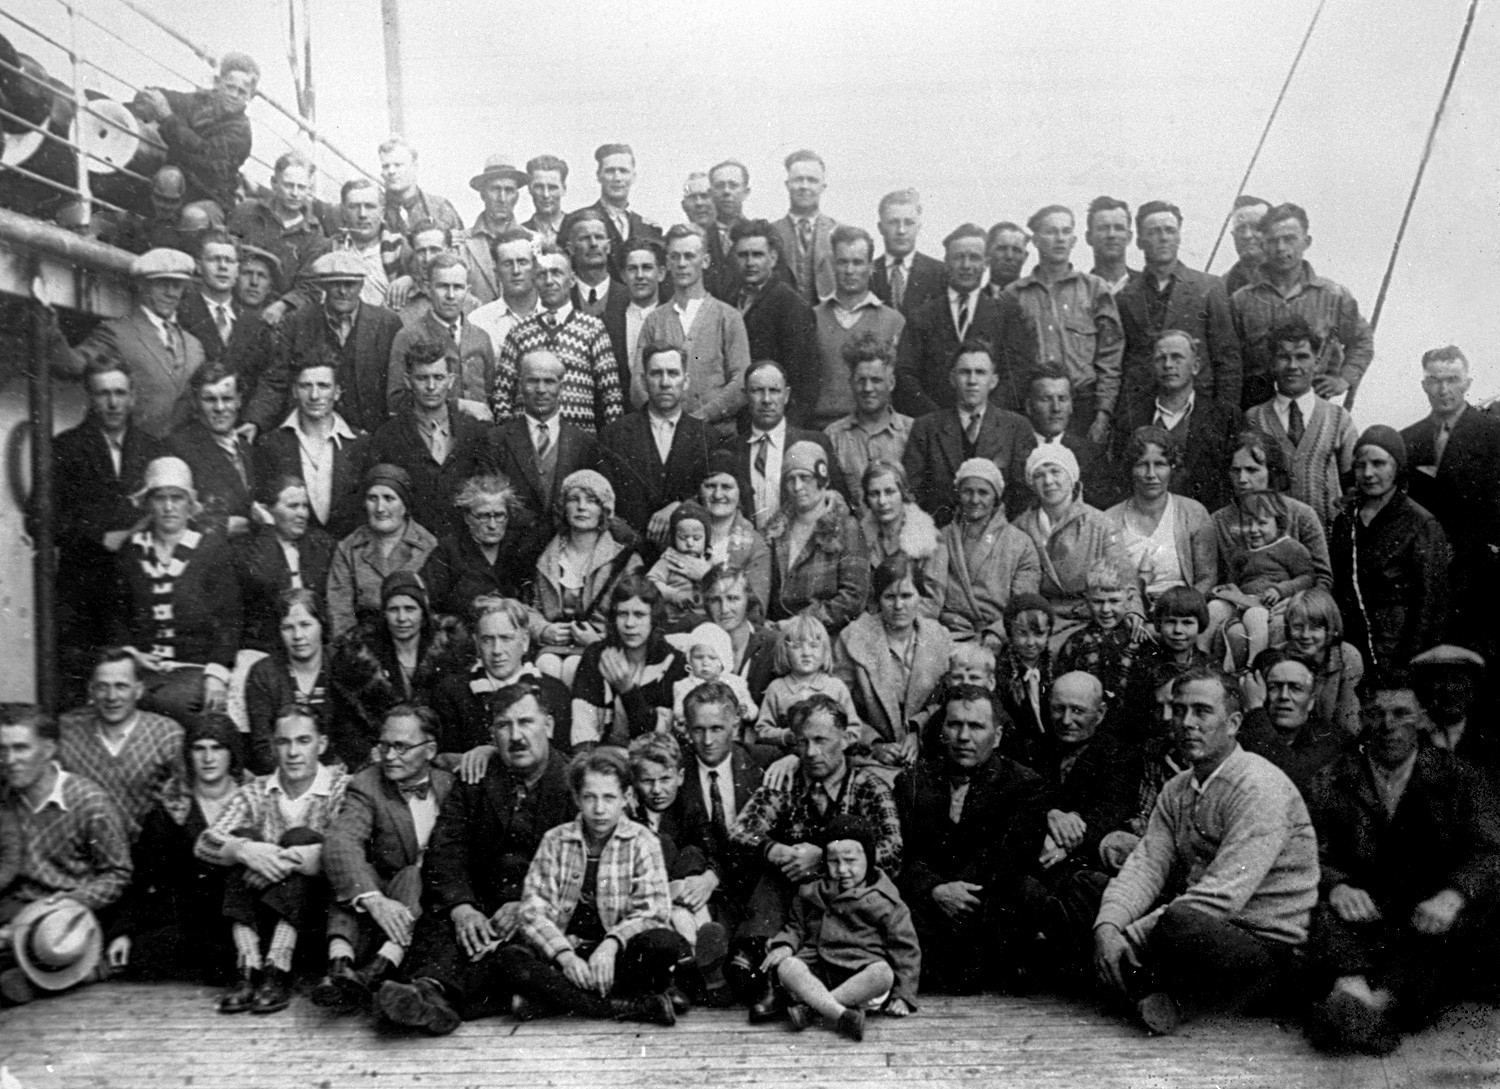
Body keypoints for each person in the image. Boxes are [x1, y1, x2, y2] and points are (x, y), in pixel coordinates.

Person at [1093, 666, 1319, 1035]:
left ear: (1232, 723)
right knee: (1092, 891)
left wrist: (1128, 936)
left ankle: (1147, 986)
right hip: (1203, 926)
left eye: (1201, 711)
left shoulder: (1258, 787)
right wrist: (1108, 927)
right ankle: (1152, 989)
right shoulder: (1179, 788)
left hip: (1262, 943)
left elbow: (1221, 897)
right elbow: (1146, 865)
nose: (1186, 723)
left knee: (1177, 923)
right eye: (1178, 711)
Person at [1304, 672, 1500, 1055]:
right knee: (1319, 913)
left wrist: (1453, 895)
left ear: (1424, 719)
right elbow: (1309, 852)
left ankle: (1367, 1007)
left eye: (1402, 714)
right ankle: (1357, 992)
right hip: (1364, 915)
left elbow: (1490, 853)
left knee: (1460, 932)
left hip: (1428, 916)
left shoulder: (1460, 779)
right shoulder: (1332, 778)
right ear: (1361, 720)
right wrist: (1338, 884)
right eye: (1376, 714)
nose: (1388, 726)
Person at [374, 680, 576, 1033]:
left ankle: (447, 1002)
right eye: (503, 725)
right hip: (481, 902)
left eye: (526, 722)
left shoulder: (574, 782)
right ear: (491, 735)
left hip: (542, 907)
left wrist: (528, 904)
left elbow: (580, 863)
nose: (516, 736)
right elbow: (446, 849)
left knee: (519, 954)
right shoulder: (476, 779)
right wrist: (462, 907)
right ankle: (429, 992)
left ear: (549, 726)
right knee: (441, 920)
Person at [729, 695, 903, 1022]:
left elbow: (892, 852)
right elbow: (740, 832)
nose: (810, 752)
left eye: (821, 740)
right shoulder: (787, 780)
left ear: (845, 739)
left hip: (847, 905)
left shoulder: (868, 787)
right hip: (796, 900)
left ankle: (793, 992)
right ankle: (769, 974)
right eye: (802, 742)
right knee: (775, 870)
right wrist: (774, 849)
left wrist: (825, 859)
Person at [492, 747, 685, 1027]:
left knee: (663, 943)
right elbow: (533, 911)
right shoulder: (556, 841)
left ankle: (551, 999)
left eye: (609, 798)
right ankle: (626, 1005)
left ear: (626, 798)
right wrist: (566, 957)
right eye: (589, 797)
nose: (599, 809)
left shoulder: (643, 841)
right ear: (576, 798)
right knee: (509, 959)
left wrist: (611, 943)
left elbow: (654, 911)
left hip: (616, 958)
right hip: (565, 953)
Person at [195, 704, 349, 1015]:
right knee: (241, 837)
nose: (293, 752)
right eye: (284, 742)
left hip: (314, 922)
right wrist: (247, 851)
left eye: (303, 741)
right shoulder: (255, 792)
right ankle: (248, 968)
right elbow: (205, 842)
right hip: (259, 918)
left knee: (301, 837)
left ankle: (277, 969)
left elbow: (346, 850)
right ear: (273, 746)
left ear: (321, 744)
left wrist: (283, 861)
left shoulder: (340, 787)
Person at [895, 684, 1047, 993]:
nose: (964, 737)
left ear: (998, 735)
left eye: (976, 726)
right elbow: (903, 853)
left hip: (986, 903)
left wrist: (956, 892)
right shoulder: (912, 781)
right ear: (941, 731)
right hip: (931, 903)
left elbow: (1009, 858)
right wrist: (937, 889)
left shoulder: (1024, 785)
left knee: (1024, 894)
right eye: (954, 725)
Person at [314, 704, 455, 1012]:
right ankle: (341, 964)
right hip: (385, 904)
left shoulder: (450, 780)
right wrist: (374, 899)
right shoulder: (367, 784)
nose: (389, 756)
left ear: (430, 749)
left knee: (415, 874)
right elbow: (341, 841)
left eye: (401, 747)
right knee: (353, 878)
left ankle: (377, 970)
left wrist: (482, 752)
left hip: (431, 905)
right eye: (384, 745)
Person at [102, 712, 244, 984]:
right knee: (141, 955)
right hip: (188, 918)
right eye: (199, 749)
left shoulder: (253, 797)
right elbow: (142, 875)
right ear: (188, 754)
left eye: (217, 748)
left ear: (232, 753)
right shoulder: (170, 807)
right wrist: (124, 930)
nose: (208, 758)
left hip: (240, 915)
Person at [53, 357, 165, 695]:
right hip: (84, 591)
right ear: (90, 397)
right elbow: (41, 519)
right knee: (83, 692)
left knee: (141, 691)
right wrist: (102, 535)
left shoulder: (152, 449)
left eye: (120, 392)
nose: (113, 403)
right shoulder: (65, 447)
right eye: (103, 394)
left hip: (142, 588)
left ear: (132, 396)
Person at [763, 817, 921, 1038]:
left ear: (869, 858)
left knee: (883, 973)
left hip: (859, 975)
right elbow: (796, 926)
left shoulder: (886, 900)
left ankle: (812, 1010)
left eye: (850, 861)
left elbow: (905, 950)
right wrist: (786, 945)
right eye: (833, 862)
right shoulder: (812, 891)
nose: (842, 869)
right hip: (818, 969)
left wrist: (903, 994)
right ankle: (841, 1015)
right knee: (787, 967)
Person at [110, 457, 240, 722]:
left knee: (180, 707)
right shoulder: (131, 552)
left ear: (190, 503)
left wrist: (216, 673)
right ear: (148, 502)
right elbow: (115, 615)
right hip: (140, 670)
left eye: (177, 498)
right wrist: (131, 655)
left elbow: (230, 620)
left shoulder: (211, 550)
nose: (169, 507)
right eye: (160, 498)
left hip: (195, 669)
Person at [1401, 345, 1500, 663]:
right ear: (1424, 385)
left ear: (1467, 383)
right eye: (1435, 380)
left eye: (1453, 379)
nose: (1444, 389)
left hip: (1480, 570)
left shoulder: (1493, 435)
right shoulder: (1407, 440)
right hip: (1425, 571)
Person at [1331, 426, 1451, 673]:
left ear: (1397, 467)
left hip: (1399, 648)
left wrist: (1410, 662)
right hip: (1352, 645)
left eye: (1379, 463)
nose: (1368, 473)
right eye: (1360, 465)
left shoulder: (1420, 524)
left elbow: (1431, 602)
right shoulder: (1346, 520)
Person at [1231, 203, 1374, 409]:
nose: (1281, 248)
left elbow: (1362, 340)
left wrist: (1343, 379)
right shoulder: (1241, 300)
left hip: (1312, 408)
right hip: (1255, 409)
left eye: (1289, 239)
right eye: (1273, 241)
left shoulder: (1333, 295)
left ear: (1306, 242)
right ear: (1264, 245)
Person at [1006, 206, 1124, 444]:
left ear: (1074, 240)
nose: (1059, 238)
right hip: (1032, 408)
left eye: (1065, 231)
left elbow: (1110, 359)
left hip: (1084, 407)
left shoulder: (1094, 289)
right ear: (1036, 240)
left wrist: (1102, 414)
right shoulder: (1014, 295)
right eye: (1051, 232)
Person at [627, 732, 730, 1004]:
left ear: (681, 777)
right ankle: (707, 965)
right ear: (635, 782)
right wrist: (669, 889)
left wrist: (708, 878)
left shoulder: (689, 809)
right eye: (648, 781)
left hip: (689, 899)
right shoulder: (630, 815)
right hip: (652, 899)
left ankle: (699, 950)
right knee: (662, 844)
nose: (657, 790)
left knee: (693, 853)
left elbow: (715, 850)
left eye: (665, 779)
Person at [895, 223, 1037, 417]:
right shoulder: (922, 316)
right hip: (935, 428)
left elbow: (1019, 373)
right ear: (946, 262)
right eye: (958, 257)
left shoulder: (1006, 314)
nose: (966, 265)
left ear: (986, 262)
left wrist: (985, 415)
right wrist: (937, 419)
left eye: (974, 257)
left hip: (992, 427)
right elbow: (905, 374)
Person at [1115, 201, 1241, 414]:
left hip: (1198, 408)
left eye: (1170, 231)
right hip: (1142, 409)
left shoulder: (1209, 287)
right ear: (1139, 241)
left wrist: (1225, 414)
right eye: (1154, 232)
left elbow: (1227, 358)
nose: (1163, 238)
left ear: (1179, 237)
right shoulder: (1125, 296)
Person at [328, 572, 461, 772]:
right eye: (393, 609)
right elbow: (346, 725)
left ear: (423, 613)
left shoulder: (449, 652)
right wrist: (368, 754)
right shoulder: (358, 657)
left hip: (437, 759)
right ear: (384, 613)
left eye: (410, 609)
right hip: (384, 759)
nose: (402, 618)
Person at [71, 248, 206, 440]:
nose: (170, 293)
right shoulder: (117, 332)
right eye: (162, 284)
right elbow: (73, 365)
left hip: (184, 457)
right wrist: (49, 325)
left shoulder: (195, 346)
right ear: (142, 285)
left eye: (177, 285)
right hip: (134, 452)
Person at [835, 555, 952, 772]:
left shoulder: (939, 637)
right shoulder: (853, 638)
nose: (898, 606)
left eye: (907, 596)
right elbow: (839, 705)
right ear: (878, 599)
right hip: (871, 758)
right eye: (889, 597)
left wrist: (920, 732)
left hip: (930, 752)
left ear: (920, 597)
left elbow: (947, 698)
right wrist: (874, 743)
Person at [366, 340, 492, 540]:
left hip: (464, 545)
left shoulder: (473, 431)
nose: (431, 386)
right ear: (408, 381)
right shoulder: (388, 437)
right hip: (410, 546)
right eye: (422, 378)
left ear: (451, 381)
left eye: (438, 377)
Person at [492, 244, 625, 433]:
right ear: (534, 281)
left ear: (572, 280)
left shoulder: (592, 328)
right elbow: (501, 394)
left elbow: (611, 395)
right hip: (528, 445)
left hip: (579, 445)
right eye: (541, 275)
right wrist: (512, 439)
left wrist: (611, 441)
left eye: (556, 273)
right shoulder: (519, 331)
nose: (549, 281)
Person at [428, 594, 572, 768]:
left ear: (525, 641)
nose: (497, 650)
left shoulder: (554, 692)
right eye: (488, 640)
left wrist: (494, 754)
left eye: (506, 638)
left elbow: (563, 760)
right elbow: (440, 758)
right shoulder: (451, 691)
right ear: (476, 644)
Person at [1109, 331, 1243, 515]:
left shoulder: (1224, 417)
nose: (1168, 365)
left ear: (1195, 366)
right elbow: (1119, 479)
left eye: (1177, 357)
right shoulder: (1131, 417)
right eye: (1160, 358)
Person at [272, 249, 405, 434]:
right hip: (314, 431)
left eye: (350, 284)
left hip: (373, 434)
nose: (343, 291)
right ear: (324, 286)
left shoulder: (387, 323)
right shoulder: (297, 322)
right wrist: (255, 422)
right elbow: (276, 380)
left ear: (361, 284)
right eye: (335, 284)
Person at [636, 225, 751, 437]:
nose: (681, 264)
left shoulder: (728, 316)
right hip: (663, 434)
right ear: (668, 263)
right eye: (675, 257)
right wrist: (665, 419)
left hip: (717, 434)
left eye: (689, 256)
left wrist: (700, 418)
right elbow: (639, 381)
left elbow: (741, 380)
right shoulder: (654, 320)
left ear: (705, 261)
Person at [1242, 318, 1358, 528]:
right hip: (1272, 543)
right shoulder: (1253, 419)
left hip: (1328, 543)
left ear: (1317, 361)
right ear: (1272, 362)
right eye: (1284, 357)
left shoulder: (1339, 419)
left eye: (1302, 357)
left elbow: (1354, 485)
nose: (1293, 366)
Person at [903, 341, 1034, 525]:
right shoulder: (926, 428)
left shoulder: (1016, 427)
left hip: (998, 539)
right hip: (940, 535)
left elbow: (1024, 498)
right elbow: (912, 493)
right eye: (965, 372)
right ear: (952, 378)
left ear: (994, 381)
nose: (972, 381)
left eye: (980, 373)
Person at [57, 649, 185, 838]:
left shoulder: (166, 734)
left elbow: (185, 797)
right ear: (91, 690)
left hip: (147, 854)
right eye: (102, 687)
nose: (112, 696)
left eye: (121, 686)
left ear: (138, 690)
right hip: (85, 853)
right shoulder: (67, 731)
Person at [486, 350, 600, 562]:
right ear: (520, 386)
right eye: (532, 381)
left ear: (561, 387)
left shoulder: (584, 443)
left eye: (549, 381)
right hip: (511, 556)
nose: (541, 390)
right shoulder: (497, 440)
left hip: (568, 555)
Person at [531, 469, 642, 682]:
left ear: (604, 510)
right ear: (564, 507)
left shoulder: (625, 559)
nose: (581, 507)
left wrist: (597, 639)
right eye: (574, 499)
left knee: (576, 666)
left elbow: (636, 613)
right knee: (546, 665)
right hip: (552, 646)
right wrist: (544, 629)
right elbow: (531, 608)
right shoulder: (547, 557)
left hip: (602, 645)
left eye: (591, 501)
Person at [598, 345, 713, 544]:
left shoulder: (708, 437)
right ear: (643, 381)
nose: (665, 382)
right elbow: (603, 503)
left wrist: (681, 507)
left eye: (673, 373)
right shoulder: (613, 436)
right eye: (656, 373)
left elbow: (715, 498)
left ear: (685, 381)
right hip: (628, 555)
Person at [253, 353, 370, 541]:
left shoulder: (360, 444)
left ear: (337, 392)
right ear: (294, 391)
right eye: (306, 386)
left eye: (323, 386)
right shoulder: (271, 445)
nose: (314, 395)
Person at [175, 231, 280, 434]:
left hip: (239, 431)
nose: (223, 267)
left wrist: (255, 419)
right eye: (214, 260)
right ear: (198, 266)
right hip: (189, 429)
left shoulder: (255, 324)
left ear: (237, 269)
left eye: (229, 261)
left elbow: (270, 378)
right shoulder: (181, 313)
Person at [1012, 444, 1118, 646]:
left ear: (1072, 477)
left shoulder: (1101, 524)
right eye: (1039, 475)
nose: (1048, 481)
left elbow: (1122, 575)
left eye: (1055, 472)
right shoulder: (1020, 527)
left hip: (1092, 619)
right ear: (1031, 484)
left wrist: (1134, 613)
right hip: (1039, 621)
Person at [722, 359, 847, 529]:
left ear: (786, 395)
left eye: (774, 391)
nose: (766, 399)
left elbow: (839, 499)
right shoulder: (731, 450)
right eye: (757, 391)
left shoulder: (814, 443)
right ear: (745, 396)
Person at [1102, 426, 1218, 604]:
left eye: (1160, 464)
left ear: (1172, 467)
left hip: (1182, 613)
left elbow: (1207, 578)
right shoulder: (1109, 519)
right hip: (1129, 611)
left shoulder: (1193, 512)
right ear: (1130, 469)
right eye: (1142, 464)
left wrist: (1179, 609)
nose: (1151, 474)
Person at [1211, 429, 1334, 594]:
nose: (1242, 479)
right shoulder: (1218, 521)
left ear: (1271, 471)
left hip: (1296, 607)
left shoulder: (1302, 515)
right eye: (1236, 471)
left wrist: (1294, 604)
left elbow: (1322, 579)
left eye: (1252, 470)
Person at [763, 441, 869, 633]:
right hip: (778, 632)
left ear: (823, 479)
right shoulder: (775, 530)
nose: (797, 487)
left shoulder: (846, 527)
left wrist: (799, 624)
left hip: (827, 634)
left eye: (805, 477)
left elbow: (854, 597)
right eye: (790, 479)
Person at [128, 53, 256, 211]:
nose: (234, 95)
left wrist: (168, 118)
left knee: (170, 180)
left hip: (209, 194)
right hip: (181, 178)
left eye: (242, 92)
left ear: (250, 97)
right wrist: (150, 98)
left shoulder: (240, 131)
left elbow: (202, 154)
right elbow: (169, 99)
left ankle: (162, 232)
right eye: (230, 87)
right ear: (219, 83)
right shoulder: (201, 101)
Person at [571, 576, 688, 747]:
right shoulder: (596, 655)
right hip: (604, 760)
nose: (629, 623)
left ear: (653, 618)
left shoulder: (673, 662)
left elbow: (660, 739)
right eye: (622, 614)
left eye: (639, 615)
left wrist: (627, 691)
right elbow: (583, 731)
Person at [808, 225, 906, 430]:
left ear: (871, 267)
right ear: (833, 264)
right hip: (820, 427)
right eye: (843, 262)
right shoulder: (812, 317)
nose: (850, 271)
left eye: (858, 262)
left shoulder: (893, 321)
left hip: (873, 428)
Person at [326, 463, 438, 638]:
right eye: (372, 498)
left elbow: (435, 611)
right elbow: (340, 614)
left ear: (405, 505)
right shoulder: (348, 548)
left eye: (389, 498)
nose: (380, 508)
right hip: (364, 644)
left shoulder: (428, 545)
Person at [937, 457, 1042, 642]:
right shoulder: (941, 538)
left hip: (999, 635)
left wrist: (997, 632)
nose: (975, 500)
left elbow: (1023, 605)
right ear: (958, 494)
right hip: (948, 632)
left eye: (983, 492)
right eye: (967, 491)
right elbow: (931, 595)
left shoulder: (1020, 543)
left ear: (996, 497)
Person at [1212, 491, 1316, 669]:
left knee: (1255, 615)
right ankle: (1203, 657)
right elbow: (1234, 579)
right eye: (1247, 523)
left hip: (1268, 605)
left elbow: (1307, 577)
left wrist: (1280, 590)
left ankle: (1255, 665)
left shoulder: (1289, 547)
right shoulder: (1240, 551)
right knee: (1214, 607)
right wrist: (1232, 591)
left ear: (1279, 523)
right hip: (1243, 601)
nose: (1253, 529)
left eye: (1261, 523)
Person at [234, 475, 334, 655]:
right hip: (266, 647)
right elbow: (264, 577)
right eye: (293, 506)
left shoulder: (321, 544)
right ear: (266, 510)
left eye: (305, 506)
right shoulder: (248, 547)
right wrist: (267, 527)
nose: (302, 513)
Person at [387, 253, 494, 418]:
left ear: (467, 290)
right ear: (428, 289)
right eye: (443, 286)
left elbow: (491, 393)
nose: (450, 295)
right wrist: (458, 405)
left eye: (457, 287)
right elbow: (396, 399)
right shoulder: (408, 336)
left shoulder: (481, 337)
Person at [731, 220, 820, 418]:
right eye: (743, 255)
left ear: (772, 258)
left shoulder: (790, 305)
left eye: (757, 255)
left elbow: (804, 379)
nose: (750, 262)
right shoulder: (730, 299)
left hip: (775, 418)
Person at [1235, 647, 1349, 799]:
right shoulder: (1243, 733)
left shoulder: (1332, 738)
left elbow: (1292, 780)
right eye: (1273, 687)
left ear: (1311, 701)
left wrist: (1255, 711)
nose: (1284, 696)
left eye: (1296, 688)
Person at [243, 589, 334, 775]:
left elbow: (354, 737)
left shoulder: (341, 665)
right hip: (285, 775)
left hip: (336, 773)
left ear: (322, 625)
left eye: (305, 625)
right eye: (288, 628)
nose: (298, 635)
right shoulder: (264, 673)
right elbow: (263, 744)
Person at [226, 152, 329, 311]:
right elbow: (226, 255)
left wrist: (282, 306)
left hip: (279, 313)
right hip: (234, 302)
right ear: (274, 183)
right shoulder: (247, 212)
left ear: (309, 189)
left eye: (301, 187)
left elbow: (310, 287)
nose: (295, 193)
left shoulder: (314, 234)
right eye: (288, 185)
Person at [421, 473, 536, 615]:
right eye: (483, 516)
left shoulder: (519, 549)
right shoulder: (448, 552)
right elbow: (425, 605)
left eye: (499, 515)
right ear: (467, 518)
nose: (492, 525)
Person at [165, 362, 256, 538]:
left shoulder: (247, 448)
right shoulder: (177, 448)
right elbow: (168, 516)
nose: (220, 408)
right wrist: (220, 527)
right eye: (210, 399)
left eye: (227, 399)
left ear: (239, 400)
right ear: (196, 402)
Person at [826, 333, 914, 505]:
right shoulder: (833, 436)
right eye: (861, 381)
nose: (868, 388)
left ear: (891, 383)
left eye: (876, 380)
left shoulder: (912, 431)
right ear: (851, 382)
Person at [754, 615, 859, 751]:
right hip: (788, 758)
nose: (806, 653)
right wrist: (785, 735)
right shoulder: (777, 688)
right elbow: (762, 731)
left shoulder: (836, 687)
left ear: (825, 651)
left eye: (814, 646)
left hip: (829, 758)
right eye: (797, 647)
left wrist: (833, 745)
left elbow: (853, 729)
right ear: (784, 652)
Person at [856, 460, 944, 618]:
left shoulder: (928, 539)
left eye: (889, 492)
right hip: (870, 624)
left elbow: (932, 603)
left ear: (903, 493)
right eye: (874, 494)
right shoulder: (860, 539)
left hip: (913, 625)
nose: (882, 501)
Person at [1054, 559, 1150, 703]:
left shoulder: (1139, 641)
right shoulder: (1076, 643)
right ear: (1087, 600)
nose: (1105, 609)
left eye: (1114, 601)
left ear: (1129, 600)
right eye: (1098, 602)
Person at [1020, 363, 1110, 509]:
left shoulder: (1093, 455)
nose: (1056, 408)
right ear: (1029, 406)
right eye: (1046, 399)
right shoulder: (1014, 451)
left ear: (1071, 405)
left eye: (1062, 399)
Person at [698, 451, 772, 613]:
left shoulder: (755, 544)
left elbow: (757, 608)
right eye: (710, 486)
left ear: (740, 492)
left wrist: (705, 575)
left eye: (727, 487)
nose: (718, 494)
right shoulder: (683, 531)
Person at [1285, 588, 1364, 738]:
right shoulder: (1279, 657)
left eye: (1315, 628)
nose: (1305, 635)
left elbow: (1349, 723)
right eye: (1297, 626)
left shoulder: (1347, 656)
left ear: (1329, 628)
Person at [703, 564, 780, 705]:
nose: (724, 609)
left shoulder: (773, 643)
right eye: (715, 600)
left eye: (732, 598)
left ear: (748, 599)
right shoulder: (699, 643)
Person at [993, 595, 1055, 769]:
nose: (1030, 642)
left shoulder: (1053, 668)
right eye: (1022, 633)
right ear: (1010, 633)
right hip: (1015, 755)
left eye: (1039, 634)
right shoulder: (1002, 673)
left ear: (1049, 633)